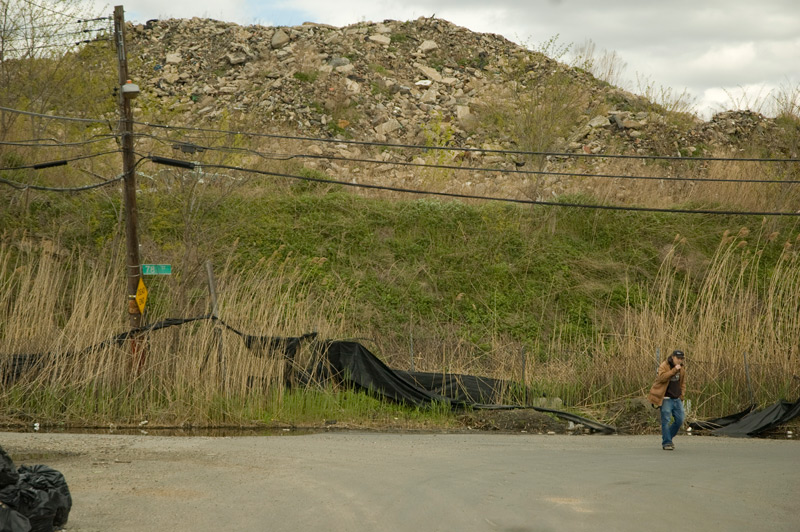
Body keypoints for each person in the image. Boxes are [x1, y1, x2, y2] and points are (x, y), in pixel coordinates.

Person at [647, 349, 686, 450]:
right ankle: (667, 442)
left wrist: (682, 395)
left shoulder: (682, 368)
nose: (679, 360)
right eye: (678, 358)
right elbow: (661, 378)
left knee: (680, 419)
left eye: (681, 359)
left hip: (676, 398)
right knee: (666, 420)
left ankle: (667, 437)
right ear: (673, 357)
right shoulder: (664, 365)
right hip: (666, 398)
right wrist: (674, 370)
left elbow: (682, 383)